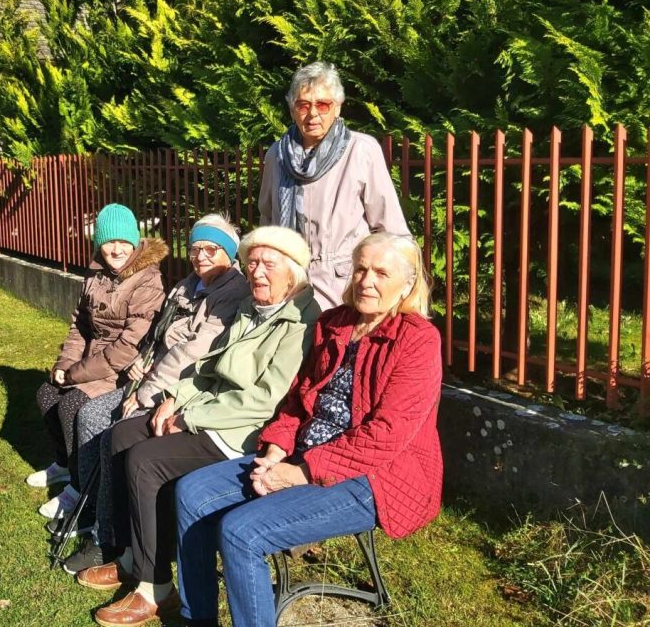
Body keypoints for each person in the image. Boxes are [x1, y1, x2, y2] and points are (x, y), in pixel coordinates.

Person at [173, 232, 442, 627]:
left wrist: (298, 473)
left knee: (241, 532)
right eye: (361, 269)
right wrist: (275, 451)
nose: (366, 281)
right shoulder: (336, 323)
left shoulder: (417, 340)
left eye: (381, 273)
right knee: (192, 492)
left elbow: (386, 435)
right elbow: (298, 399)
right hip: (302, 455)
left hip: (376, 476)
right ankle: (197, 618)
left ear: (407, 284)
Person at [76, 226, 322, 627]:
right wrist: (176, 397)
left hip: (242, 432)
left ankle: (155, 587)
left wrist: (188, 417)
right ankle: (132, 557)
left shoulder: (300, 321)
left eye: (268, 264)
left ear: (293, 271)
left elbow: (264, 401)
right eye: (252, 263)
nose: (257, 272)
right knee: (121, 435)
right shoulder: (253, 307)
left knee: (146, 461)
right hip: (208, 411)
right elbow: (210, 367)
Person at [60, 215, 251, 574]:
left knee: (114, 431)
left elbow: (191, 354)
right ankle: (93, 510)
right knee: (89, 415)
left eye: (211, 249)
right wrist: (141, 362)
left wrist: (146, 390)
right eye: (195, 249)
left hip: (181, 388)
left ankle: (108, 535)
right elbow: (159, 336)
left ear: (229, 253)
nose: (201, 256)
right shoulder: (187, 286)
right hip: (152, 376)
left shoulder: (232, 293)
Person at [29, 203, 167, 519]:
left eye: (124, 241)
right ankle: (66, 464)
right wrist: (64, 364)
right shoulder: (96, 272)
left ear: (135, 241)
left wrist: (74, 375)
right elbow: (80, 324)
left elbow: (128, 347)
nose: (116, 249)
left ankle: (80, 488)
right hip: (91, 360)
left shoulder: (148, 280)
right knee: (46, 394)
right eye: (109, 241)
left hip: (122, 369)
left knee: (70, 406)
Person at [259, 61, 410, 310]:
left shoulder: (361, 150)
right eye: (303, 105)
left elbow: (390, 228)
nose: (313, 114)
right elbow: (267, 221)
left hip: (343, 288)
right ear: (292, 110)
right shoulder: (277, 155)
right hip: (288, 284)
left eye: (323, 104)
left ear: (337, 107)